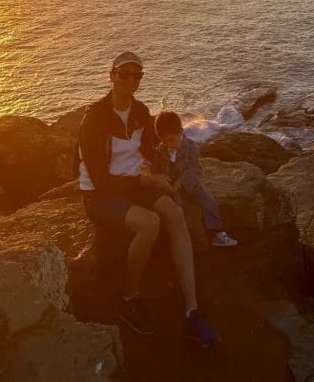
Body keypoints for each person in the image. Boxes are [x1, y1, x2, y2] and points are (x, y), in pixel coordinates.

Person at [74, 51, 220, 345]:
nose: (131, 80)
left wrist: (168, 171)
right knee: (149, 223)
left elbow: (151, 151)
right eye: (124, 74)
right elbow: (100, 179)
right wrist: (147, 179)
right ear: (111, 75)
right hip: (100, 194)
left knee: (176, 214)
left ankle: (192, 311)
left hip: (133, 184)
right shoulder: (95, 120)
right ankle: (129, 298)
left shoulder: (141, 113)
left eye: (137, 75)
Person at [152, 111, 238, 248]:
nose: (169, 144)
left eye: (172, 140)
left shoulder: (190, 147)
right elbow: (156, 168)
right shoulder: (161, 149)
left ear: (180, 132)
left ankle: (216, 233)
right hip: (169, 184)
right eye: (165, 141)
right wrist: (160, 178)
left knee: (208, 201)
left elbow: (193, 168)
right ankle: (180, 237)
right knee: (177, 207)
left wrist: (181, 181)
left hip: (190, 182)